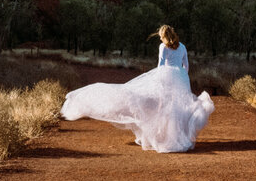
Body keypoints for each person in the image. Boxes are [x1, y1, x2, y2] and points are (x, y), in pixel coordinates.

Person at [61, 24, 214, 153]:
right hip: (180, 77)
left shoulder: (163, 47)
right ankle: (178, 136)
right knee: (177, 108)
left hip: (166, 76)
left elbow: (161, 65)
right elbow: (186, 66)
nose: (160, 39)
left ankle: (162, 137)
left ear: (164, 36)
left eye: (160, 36)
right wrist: (181, 77)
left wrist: (157, 79)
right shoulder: (182, 47)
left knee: (161, 106)